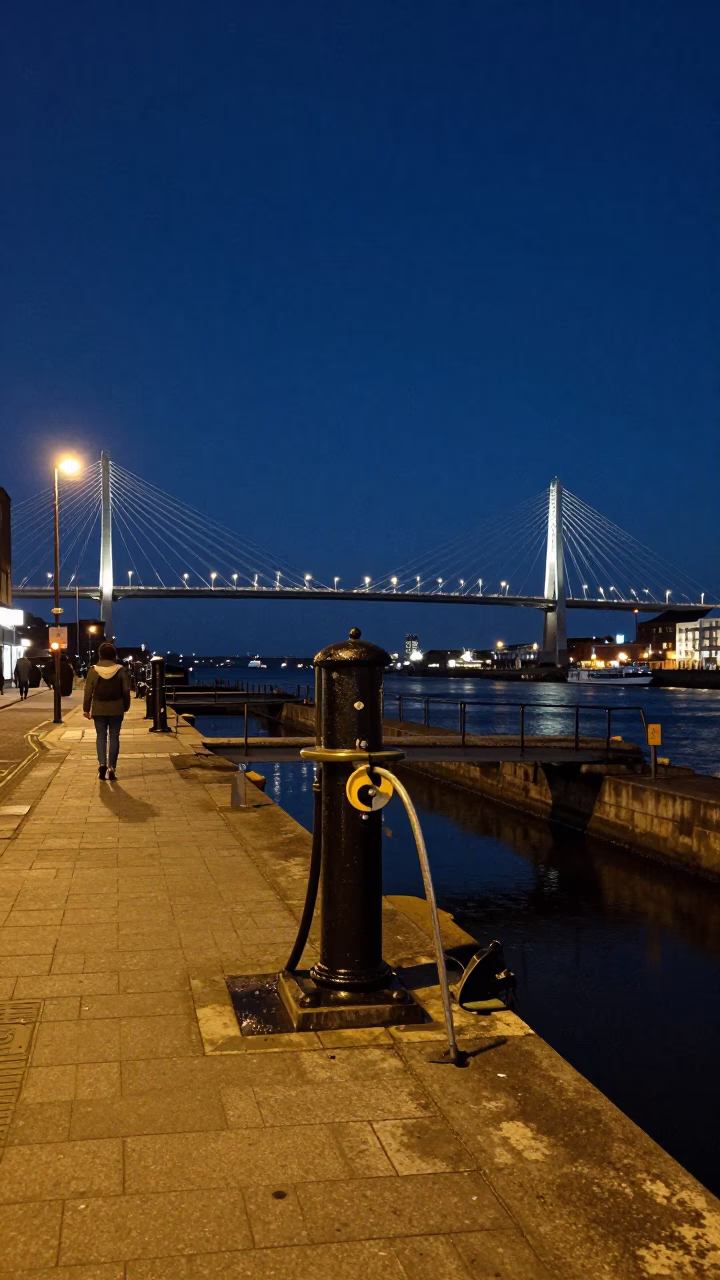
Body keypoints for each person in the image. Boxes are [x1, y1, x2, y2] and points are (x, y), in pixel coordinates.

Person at [83, 641, 131, 781]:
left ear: (100, 655)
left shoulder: (93, 670)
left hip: (99, 708)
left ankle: (102, 764)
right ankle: (112, 767)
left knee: (101, 736)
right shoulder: (120, 670)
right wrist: (126, 706)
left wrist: (86, 709)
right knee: (114, 736)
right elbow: (126, 690)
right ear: (114, 655)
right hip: (116, 708)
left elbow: (88, 691)